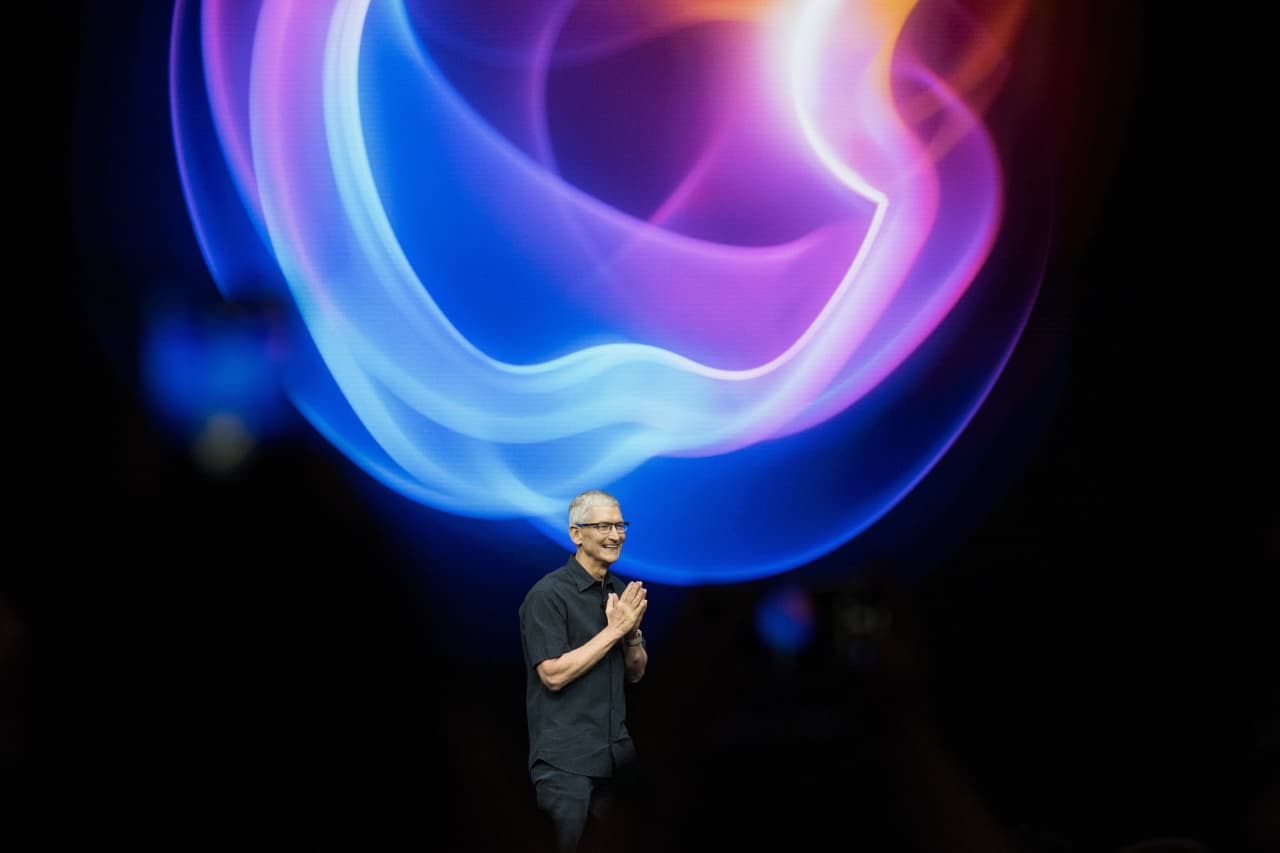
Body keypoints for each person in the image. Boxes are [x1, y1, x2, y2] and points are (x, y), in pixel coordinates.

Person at [519, 489, 649, 852]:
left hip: (618, 762)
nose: (616, 535)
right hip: (565, 763)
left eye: (620, 525)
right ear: (576, 534)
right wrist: (615, 631)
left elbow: (636, 673)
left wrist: (632, 634)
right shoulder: (547, 595)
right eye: (604, 526)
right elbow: (552, 675)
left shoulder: (621, 593)